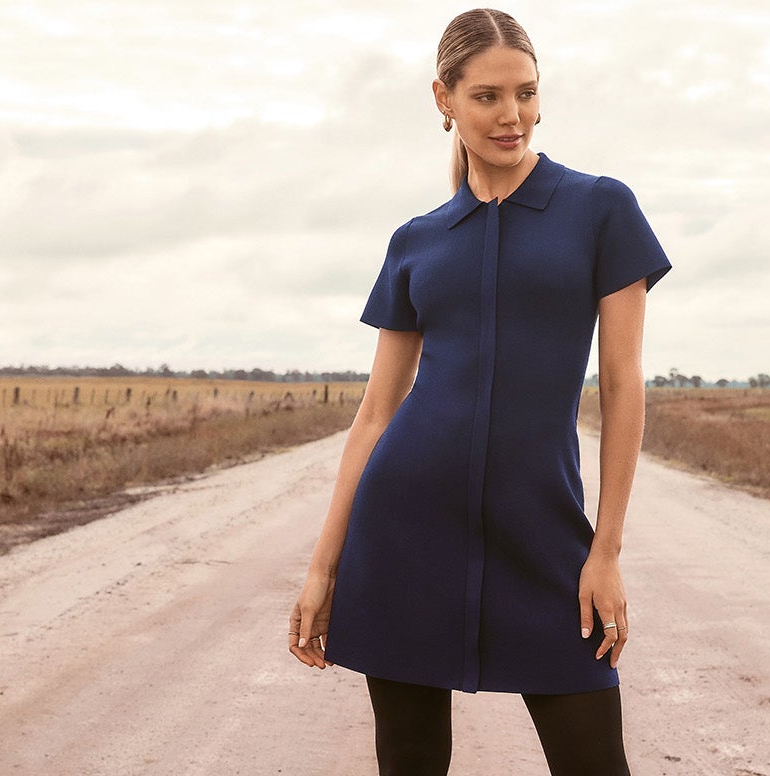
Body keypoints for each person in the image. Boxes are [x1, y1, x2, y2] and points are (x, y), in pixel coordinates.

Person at [288, 8, 671, 775]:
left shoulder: (599, 209)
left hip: (543, 535)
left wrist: (606, 550)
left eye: (526, 93)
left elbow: (625, 387)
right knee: (410, 761)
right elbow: (375, 416)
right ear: (444, 99)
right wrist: (323, 568)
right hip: (404, 534)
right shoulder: (418, 239)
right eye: (489, 97)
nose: (513, 115)